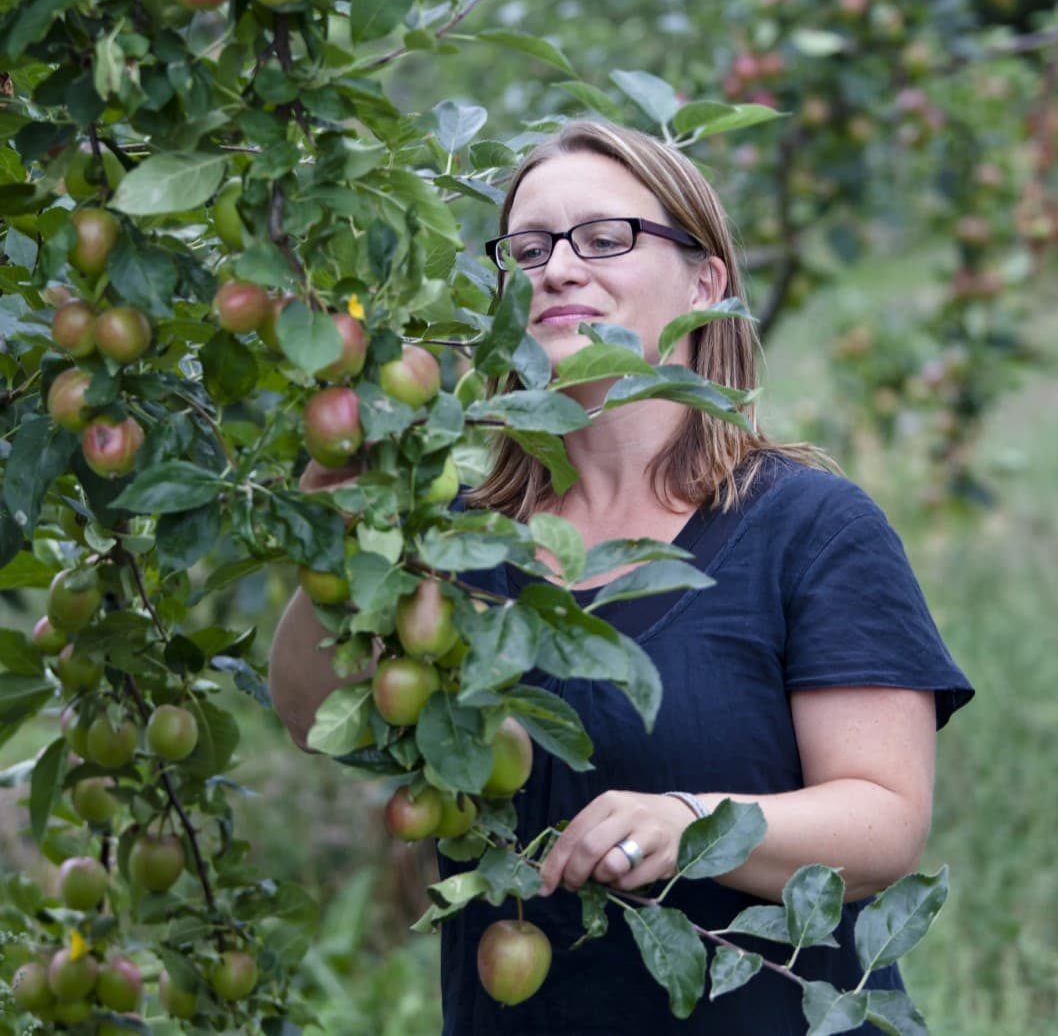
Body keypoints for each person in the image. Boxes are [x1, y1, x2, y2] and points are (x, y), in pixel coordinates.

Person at [269, 119, 974, 1034]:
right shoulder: (461, 545)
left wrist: (693, 822)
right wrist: (341, 531)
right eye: (527, 249)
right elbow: (307, 713)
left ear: (704, 282)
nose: (558, 268)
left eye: (606, 238)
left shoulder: (810, 528)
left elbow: (883, 826)